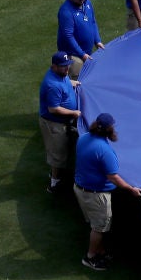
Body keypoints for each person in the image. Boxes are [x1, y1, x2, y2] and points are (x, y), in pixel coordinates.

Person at [73, 113, 141, 270]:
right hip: (96, 196)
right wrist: (130, 188)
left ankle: (100, 250)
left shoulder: (84, 137)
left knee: (95, 223)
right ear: (109, 130)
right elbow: (113, 177)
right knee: (99, 228)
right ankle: (90, 257)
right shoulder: (105, 151)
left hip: (80, 189)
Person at [39, 52, 81, 194]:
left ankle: (56, 175)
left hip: (62, 122)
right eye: (63, 67)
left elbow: (64, 81)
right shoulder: (53, 85)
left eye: (67, 66)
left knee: (64, 150)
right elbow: (54, 109)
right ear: (54, 66)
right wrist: (73, 113)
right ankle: (54, 184)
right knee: (57, 154)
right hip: (54, 124)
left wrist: (71, 82)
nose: (67, 69)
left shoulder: (60, 75)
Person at [56, 0, 105, 79]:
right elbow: (68, 36)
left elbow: (93, 22)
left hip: (86, 52)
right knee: (78, 83)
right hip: (73, 55)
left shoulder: (87, 3)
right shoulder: (66, 11)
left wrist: (97, 40)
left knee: (89, 79)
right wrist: (81, 54)